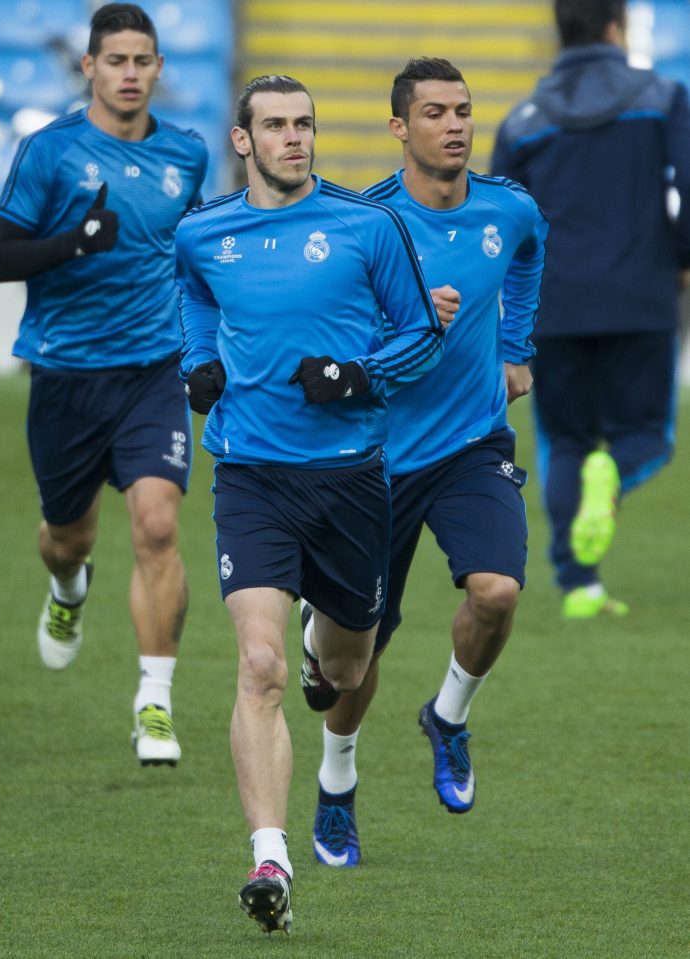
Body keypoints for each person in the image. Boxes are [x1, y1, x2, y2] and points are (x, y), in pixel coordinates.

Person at [174, 74, 444, 935]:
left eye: (306, 124)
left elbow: (420, 334)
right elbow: (193, 300)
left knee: (348, 670)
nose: (296, 137)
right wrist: (201, 359)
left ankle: (323, 652)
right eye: (277, 126)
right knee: (257, 667)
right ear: (243, 140)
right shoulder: (203, 232)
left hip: (351, 479)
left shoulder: (368, 225)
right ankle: (270, 858)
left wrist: (358, 375)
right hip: (251, 474)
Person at [298, 57, 547, 867]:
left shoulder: (507, 208)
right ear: (400, 127)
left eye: (465, 110)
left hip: (472, 443)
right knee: (355, 660)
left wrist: (514, 348)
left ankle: (447, 716)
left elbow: (530, 253)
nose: (456, 125)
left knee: (498, 589)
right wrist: (414, 325)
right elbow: (333, 349)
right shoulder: (366, 223)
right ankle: (338, 784)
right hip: (374, 462)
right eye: (436, 112)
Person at [0, 3, 208, 765]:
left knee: (156, 525)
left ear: (159, 70)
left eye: (144, 60)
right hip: (65, 374)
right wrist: (73, 243)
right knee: (66, 538)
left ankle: (154, 700)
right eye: (116, 60)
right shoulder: (48, 153)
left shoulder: (187, 155)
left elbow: (197, 253)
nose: (131, 74)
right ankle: (69, 590)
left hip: (152, 370)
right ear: (88, 67)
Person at [491, 0, 690, 618]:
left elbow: (499, 223)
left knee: (566, 440)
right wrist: (681, 261)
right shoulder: (661, 97)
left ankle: (579, 584)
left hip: (554, 307)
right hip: (642, 298)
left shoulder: (522, 121)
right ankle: (617, 472)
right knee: (646, 440)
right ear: (616, 26)